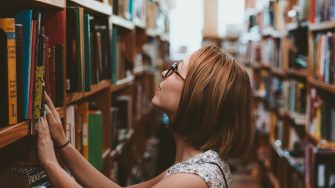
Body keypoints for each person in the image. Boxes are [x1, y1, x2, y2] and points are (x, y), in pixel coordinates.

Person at [36, 44, 254, 188]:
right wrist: (63, 144)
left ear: (196, 96)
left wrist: (50, 163)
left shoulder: (190, 179)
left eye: (174, 69)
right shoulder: (198, 163)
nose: (163, 73)